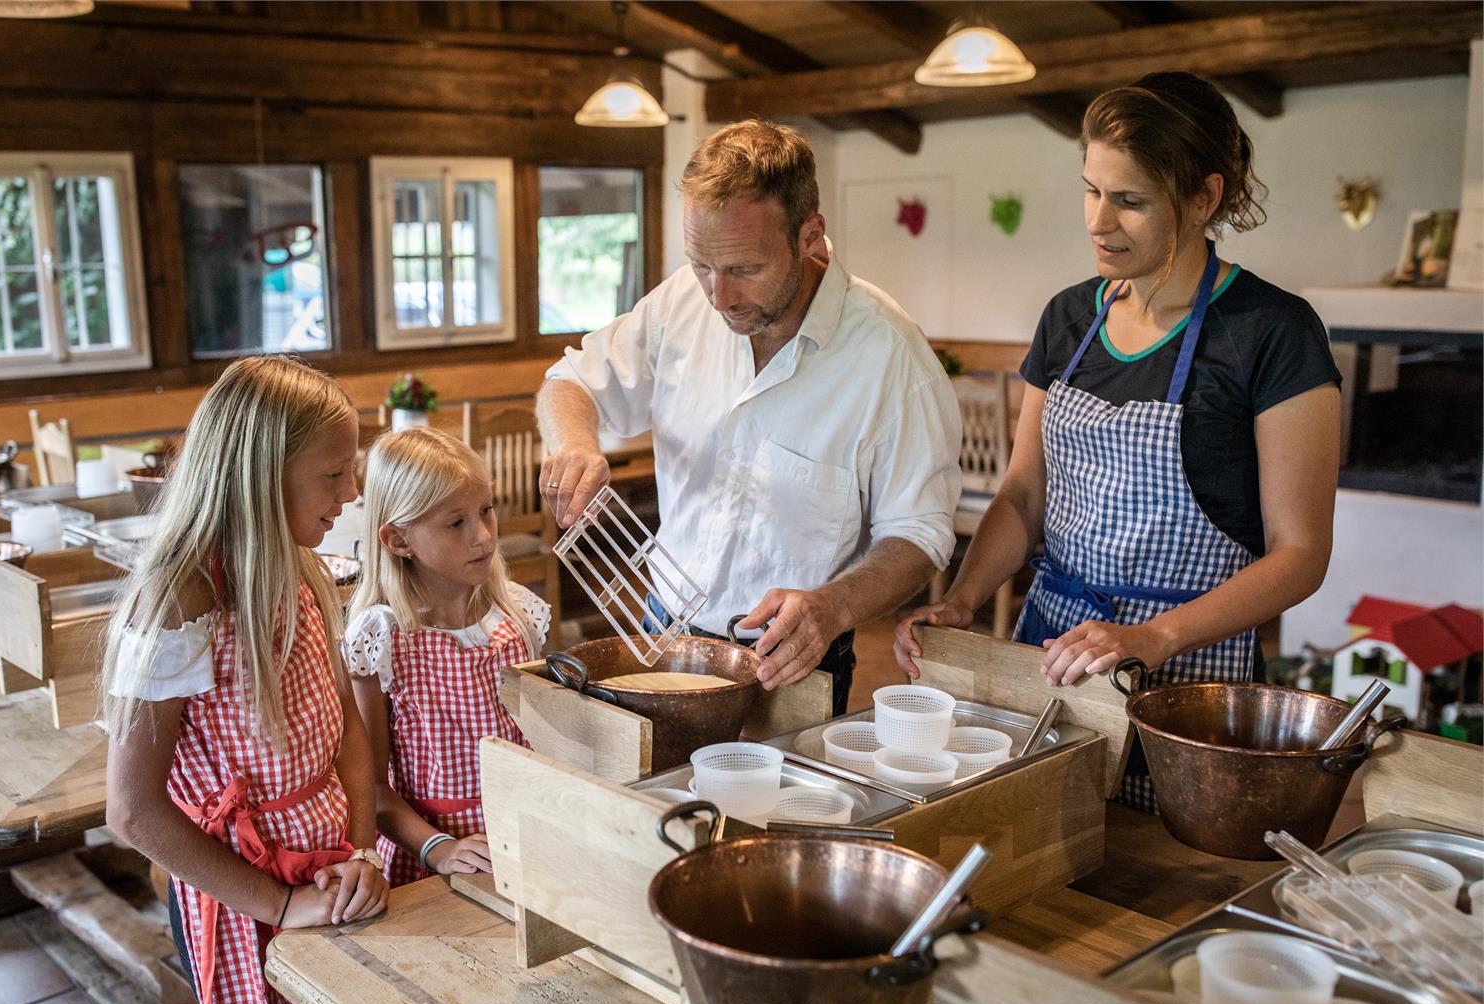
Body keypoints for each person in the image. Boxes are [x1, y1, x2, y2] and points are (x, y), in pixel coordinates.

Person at [895, 72, 1341, 809]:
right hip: (1054, 661)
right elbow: (1023, 493)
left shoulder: (1272, 333)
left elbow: (1301, 554)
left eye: (1130, 201)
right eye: (1091, 190)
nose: (1099, 221)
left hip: (1190, 681)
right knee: (1044, 846)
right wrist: (966, 597)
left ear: (1204, 197)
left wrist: (1154, 637)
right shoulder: (1070, 318)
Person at [538, 119, 962, 716]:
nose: (718, 296)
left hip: (788, 657)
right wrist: (574, 443)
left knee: (768, 812)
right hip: (662, 630)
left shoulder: (891, 358)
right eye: (701, 265)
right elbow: (572, 381)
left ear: (810, 235)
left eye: (743, 269)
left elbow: (920, 533)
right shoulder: (681, 302)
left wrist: (834, 607)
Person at [102, 355, 389, 1004]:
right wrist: (282, 905)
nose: (351, 493)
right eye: (333, 474)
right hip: (241, 895)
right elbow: (134, 811)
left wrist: (356, 851)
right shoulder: (181, 597)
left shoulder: (301, 564)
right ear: (263, 473)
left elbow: (346, 729)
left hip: (328, 871)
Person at [343, 428, 548, 886]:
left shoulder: (518, 614)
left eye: (486, 510)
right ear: (398, 540)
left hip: (522, 838)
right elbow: (371, 788)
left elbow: (543, 741)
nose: (483, 536)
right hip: (434, 859)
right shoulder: (382, 638)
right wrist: (439, 848)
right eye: (455, 523)